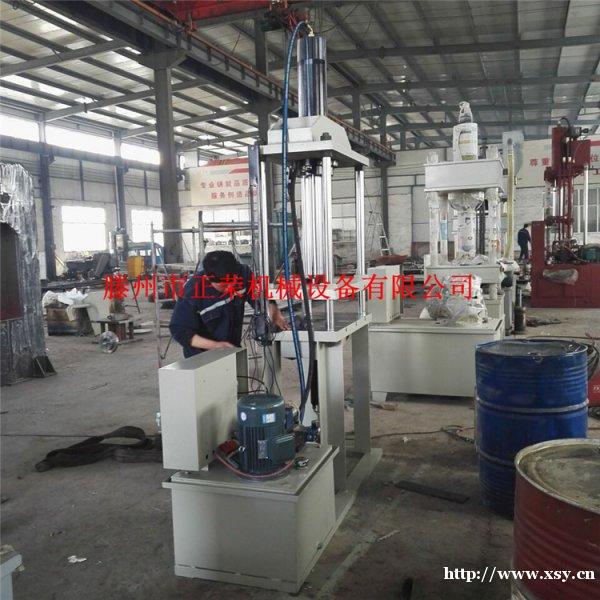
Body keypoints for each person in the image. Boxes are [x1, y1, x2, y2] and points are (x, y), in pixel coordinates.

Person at [170, 250, 289, 358]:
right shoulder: (192, 293)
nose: (230, 288)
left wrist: (273, 310)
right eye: (224, 285)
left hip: (231, 348)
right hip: (202, 356)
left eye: (232, 282)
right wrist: (215, 346)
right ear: (207, 278)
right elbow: (179, 330)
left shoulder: (243, 273)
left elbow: (258, 296)